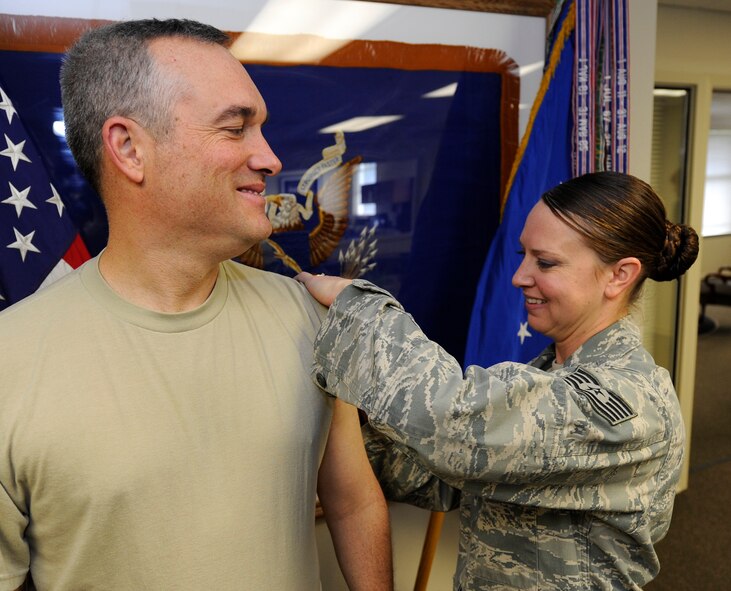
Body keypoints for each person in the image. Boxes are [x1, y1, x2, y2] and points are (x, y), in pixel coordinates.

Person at [0, 18, 392, 591]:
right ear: (130, 149)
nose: (270, 158)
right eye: (236, 130)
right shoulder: (12, 359)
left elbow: (354, 501)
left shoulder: (309, 320)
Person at [297, 171, 699, 591]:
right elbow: (438, 479)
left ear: (619, 275)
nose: (520, 276)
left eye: (545, 262)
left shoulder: (626, 403)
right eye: (524, 255)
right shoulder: (548, 376)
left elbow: (452, 427)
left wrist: (355, 309)